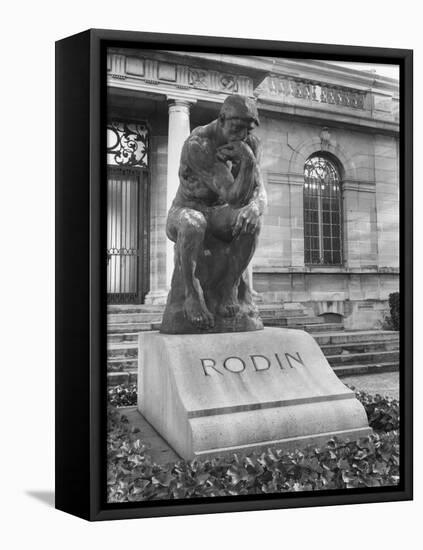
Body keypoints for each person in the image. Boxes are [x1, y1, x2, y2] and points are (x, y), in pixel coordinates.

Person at [165, 94, 267, 330]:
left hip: (219, 214)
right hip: (185, 210)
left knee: (252, 223)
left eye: (247, 129)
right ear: (222, 119)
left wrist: (254, 207)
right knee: (193, 224)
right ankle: (192, 294)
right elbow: (233, 195)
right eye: (236, 127)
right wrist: (247, 163)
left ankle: (229, 287)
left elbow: (260, 192)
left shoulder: (249, 144)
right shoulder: (198, 145)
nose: (241, 135)